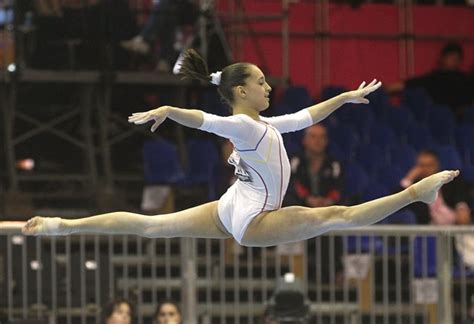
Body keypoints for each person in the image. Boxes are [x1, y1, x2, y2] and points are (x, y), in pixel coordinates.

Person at [21, 49, 459, 247]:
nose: (269, 86)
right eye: (261, 82)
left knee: (150, 227)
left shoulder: (265, 124)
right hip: (253, 220)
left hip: (233, 206)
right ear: (241, 91)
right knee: (337, 216)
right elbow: (207, 121)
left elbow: (307, 116)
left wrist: (343, 99)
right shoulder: (244, 128)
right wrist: (171, 109)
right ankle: (414, 194)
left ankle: (63, 225)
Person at [388, 42, 472, 117]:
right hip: (438, 118)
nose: (454, 61)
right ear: (443, 58)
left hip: (462, 118)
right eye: (451, 57)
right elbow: (408, 84)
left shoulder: (465, 80)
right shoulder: (434, 78)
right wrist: (386, 88)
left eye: (457, 59)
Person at [400, 149, 471, 225]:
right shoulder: (414, 186)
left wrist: (461, 207)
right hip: (428, 229)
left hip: (455, 227)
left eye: (429, 165)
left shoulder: (449, 179)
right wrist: (409, 178)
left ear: (437, 165)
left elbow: (461, 195)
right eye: (422, 166)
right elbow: (398, 200)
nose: (426, 169)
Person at [284, 123, 343, 207]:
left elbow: (339, 188)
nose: (317, 141)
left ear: (327, 141)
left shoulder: (335, 164)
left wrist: (328, 201)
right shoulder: (294, 161)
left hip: (327, 209)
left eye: (322, 137)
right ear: (304, 140)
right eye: (313, 136)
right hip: (299, 208)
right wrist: (307, 199)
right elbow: (291, 185)